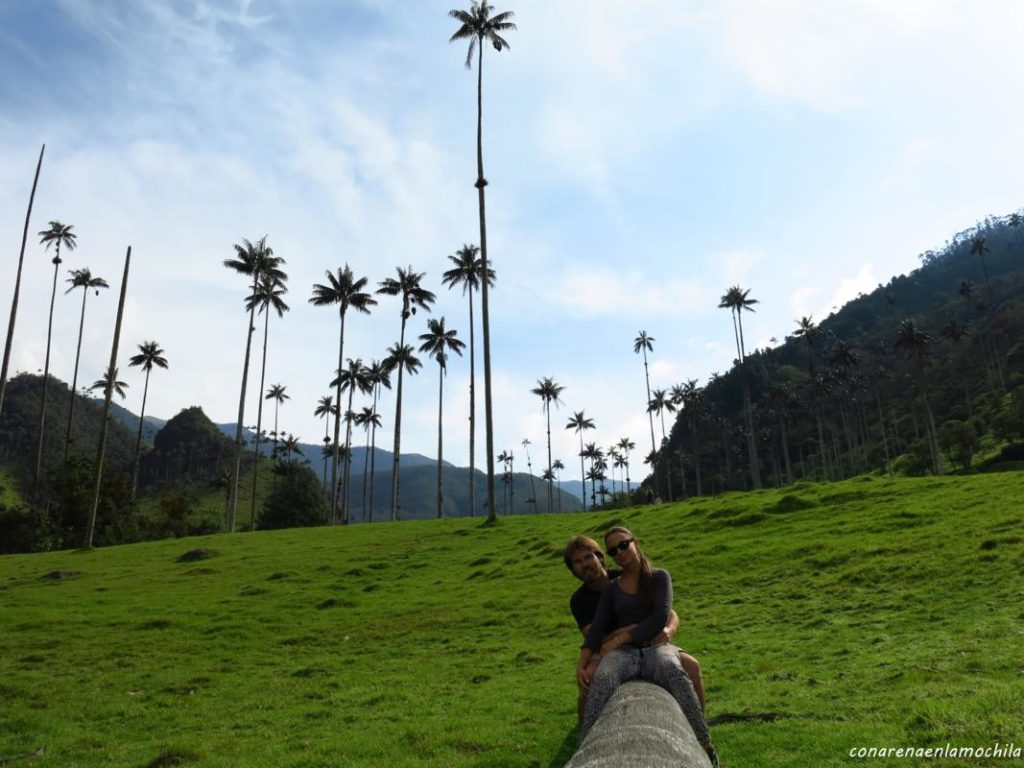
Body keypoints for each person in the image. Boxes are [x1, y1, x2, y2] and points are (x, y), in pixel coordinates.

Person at [575, 527, 719, 767]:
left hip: (654, 647)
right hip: (624, 655)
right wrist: (582, 663)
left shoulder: (659, 577)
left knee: (674, 671)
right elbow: (597, 627)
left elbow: (660, 616)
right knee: (602, 679)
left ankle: (705, 744)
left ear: (635, 543)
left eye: (623, 545)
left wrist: (622, 638)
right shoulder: (612, 588)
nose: (619, 552)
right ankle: (584, 750)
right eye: (613, 550)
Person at [563, 535, 706, 720]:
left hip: (648, 640)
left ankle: (701, 721)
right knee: (588, 677)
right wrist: (622, 635)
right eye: (577, 562)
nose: (585, 564)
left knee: (692, 667)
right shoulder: (579, 600)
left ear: (599, 557)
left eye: (588, 557)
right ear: (573, 569)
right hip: (609, 648)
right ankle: (585, 728)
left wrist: (668, 630)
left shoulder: (625, 576)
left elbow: (668, 612)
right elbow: (593, 635)